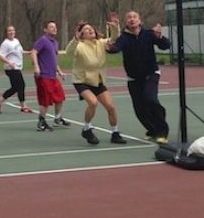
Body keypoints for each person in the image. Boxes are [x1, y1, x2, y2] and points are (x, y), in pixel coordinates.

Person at [108, 10, 171, 144]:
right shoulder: (123, 38)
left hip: (151, 74)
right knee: (140, 110)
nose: (132, 19)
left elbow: (166, 46)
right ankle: (152, 130)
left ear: (139, 20)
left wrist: (160, 38)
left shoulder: (149, 34)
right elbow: (115, 48)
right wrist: (109, 48)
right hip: (133, 78)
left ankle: (162, 130)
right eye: (129, 17)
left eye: (134, 17)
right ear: (126, 22)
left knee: (151, 99)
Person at [65, 20, 126, 145]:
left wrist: (115, 28)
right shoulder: (80, 46)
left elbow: (114, 38)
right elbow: (69, 51)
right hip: (81, 81)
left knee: (111, 107)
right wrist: (75, 40)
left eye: (90, 27)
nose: (89, 30)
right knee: (93, 102)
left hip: (97, 80)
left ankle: (115, 133)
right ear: (81, 35)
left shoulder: (101, 43)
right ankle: (86, 128)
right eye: (86, 30)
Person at [31, 21, 70, 131]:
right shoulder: (43, 40)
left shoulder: (55, 43)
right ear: (45, 29)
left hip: (53, 76)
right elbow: (34, 52)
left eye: (55, 27)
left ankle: (57, 119)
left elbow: (54, 60)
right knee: (45, 100)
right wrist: (36, 67)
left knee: (60, 97)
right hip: (44, 76)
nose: (54, 29)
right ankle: (41, 121)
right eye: (51, 27)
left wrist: (60, 72)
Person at [0, 25, 32, 113]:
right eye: (9, 31)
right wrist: (9, 62)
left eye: (13, 30)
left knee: (15, 88)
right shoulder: (5, 43)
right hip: (11, 69)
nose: (11, 32)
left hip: (17, 67)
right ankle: (23, 106)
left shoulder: (16, 41)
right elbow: (0, 56)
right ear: (7, 33)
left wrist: (29, 52)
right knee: (21, 85)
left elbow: (20, 51)